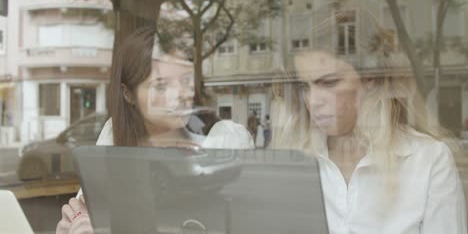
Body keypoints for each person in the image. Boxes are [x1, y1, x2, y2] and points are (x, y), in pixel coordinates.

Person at [271, 12, 467, 233]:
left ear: (370, 78)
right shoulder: (295, 158)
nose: (313, 101)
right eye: (304, 87)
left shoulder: (427, 160)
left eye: (328, 83)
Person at [56, 27, 254, 234]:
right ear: (128, 94)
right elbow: (86, 209)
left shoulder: (225, 138)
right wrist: (75, 225)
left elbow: (246, 222)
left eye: (185, 80)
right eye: (161, 86)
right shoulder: (115, 135)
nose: (180, 94)